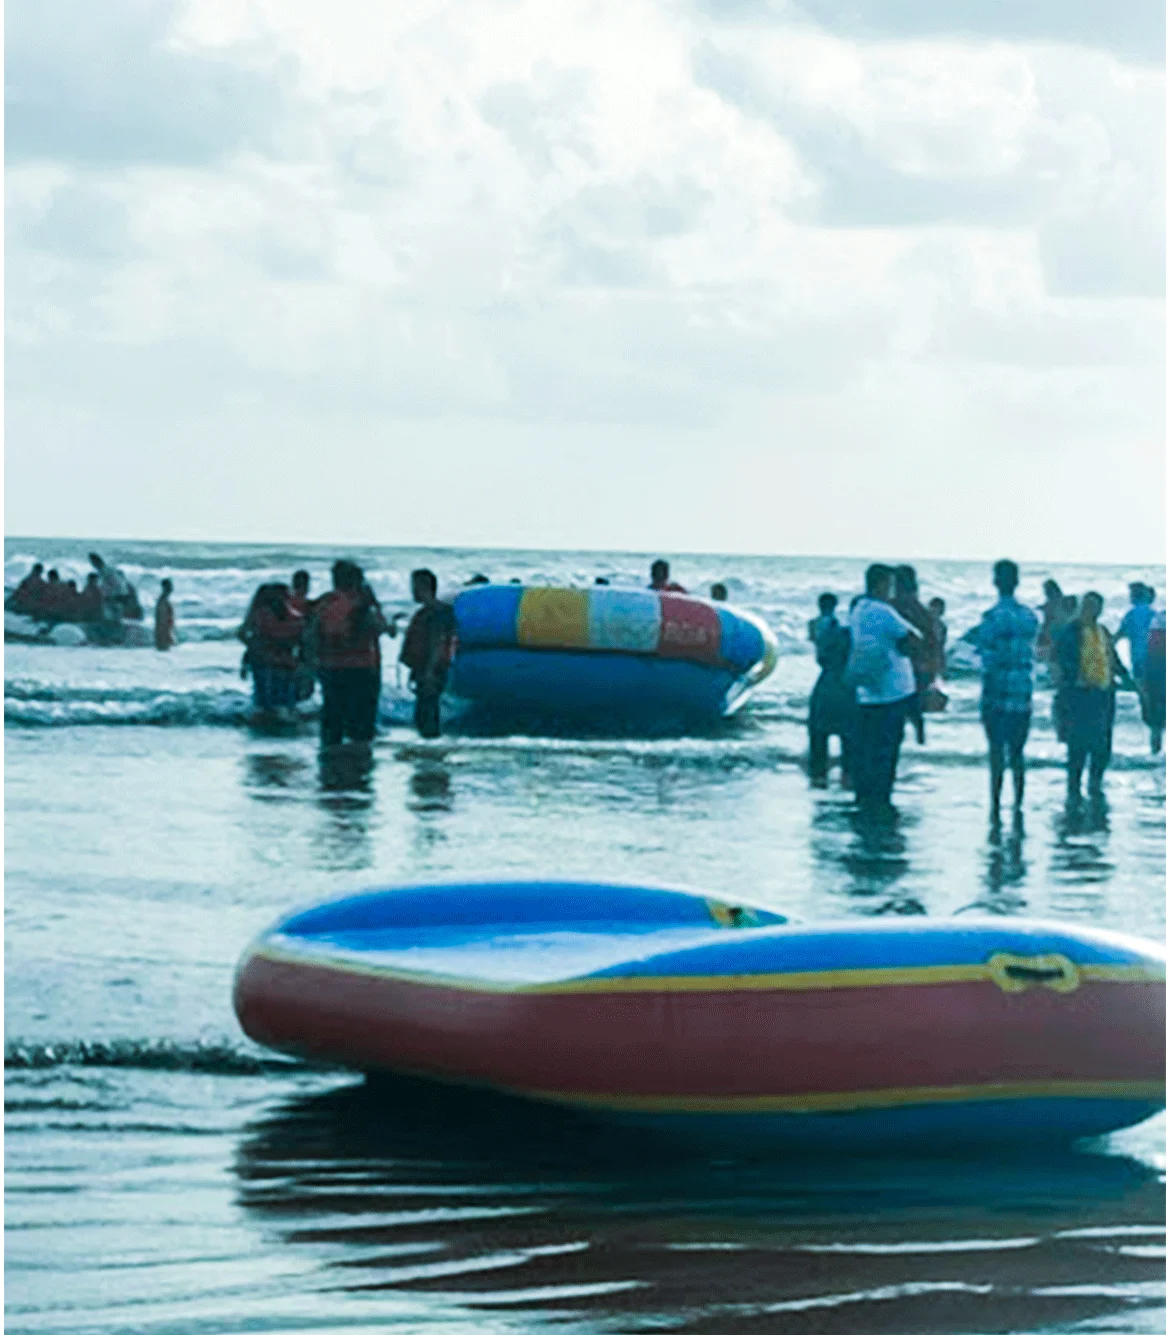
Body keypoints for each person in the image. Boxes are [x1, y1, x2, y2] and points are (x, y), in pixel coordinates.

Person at [847, 564, 920, 809]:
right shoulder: (883, 610)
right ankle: (881, 798)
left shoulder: (858, 609)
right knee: (887, 749)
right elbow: (912, 637)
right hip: (892, 689)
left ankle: (865, 794)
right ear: (880, 584)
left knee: (867, 746)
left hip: (867, 689)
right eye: (889, 585)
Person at [1054, 592, 1133, 804]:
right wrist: (1072, 680)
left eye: (1097, 607)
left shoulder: (1103, 632)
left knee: (1102, 745)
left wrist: (1127, 680)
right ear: (1082, 607)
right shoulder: (1070, 632)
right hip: (1079, 695)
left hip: (1103, 695)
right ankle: (1074, 788)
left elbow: (1112, 659)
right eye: (1088, 606)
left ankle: (1095, 783)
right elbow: (1061, 659)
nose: (1092, 611)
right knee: (1077, 745)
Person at [976, 560, 1039, 818]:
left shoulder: (991, 618)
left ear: (995, 582)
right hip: (1023, 693)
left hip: (997, 692)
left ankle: (995, 802)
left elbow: (985, 656)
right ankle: (1018, 803)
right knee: (1017, 752)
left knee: (995, 751)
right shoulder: (1029, 617)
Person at [314, 560, 388, 745]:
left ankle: (330, 763)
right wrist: (377, 605)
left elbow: (312, 634)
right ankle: (358, 765)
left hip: (330, 666)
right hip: (362, 667)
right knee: (362, 725)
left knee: (332, 721)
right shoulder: (363, 604)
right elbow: (380, 627)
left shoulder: (325, 602)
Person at [400, 568, 457, 739]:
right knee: (425, 712)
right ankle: (429, 752)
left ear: (424, 587)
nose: (412, 591)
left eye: (414, 586)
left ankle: (430, 753)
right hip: (425, 669)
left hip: (431, 670)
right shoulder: (428, 612)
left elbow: (437, 642)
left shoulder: (435, 613)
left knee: (427, 714)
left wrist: (429, 672)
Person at [807, 593, 856, 787]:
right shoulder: (849, 633)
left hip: (826, 685)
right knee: (849, 740)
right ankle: (846, 778)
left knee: (819, 738)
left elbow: (821, 655)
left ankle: (819, 779)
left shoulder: (820, 625)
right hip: (846, 688)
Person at [239, 583, 303, 716]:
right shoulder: (264, 613)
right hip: (274, 659)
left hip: (273, 659)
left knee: (270, 693)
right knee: (277, 693)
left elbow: (243, 634)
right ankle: (276, 713)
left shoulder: (266, 613)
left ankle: (271, 713)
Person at [892, 565, 936, 745]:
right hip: (921, 667)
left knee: (896, 714)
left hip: (900, 667)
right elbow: (933, 641)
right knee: (916, 712)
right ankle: (920, 745)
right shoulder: (922, 611)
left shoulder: (893, 607)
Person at [1116, 582, 1156, 681]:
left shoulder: (1131, 615)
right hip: (1154, 658)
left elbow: (1119, 635)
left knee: (1142, 687)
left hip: (1138, 658)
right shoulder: (1155, 615)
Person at [1142, 609, 1166, 755]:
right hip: (1157, 671)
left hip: (1155, 671)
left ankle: (1155, 751)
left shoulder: (1157, 620)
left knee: (1156, 722)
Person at [154, 578, 176, 651]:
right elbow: (162, 621)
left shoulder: (163, 601)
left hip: (164, 635)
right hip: (163, 636)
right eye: (170, 586)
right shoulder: (162, 601)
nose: (172, 588)